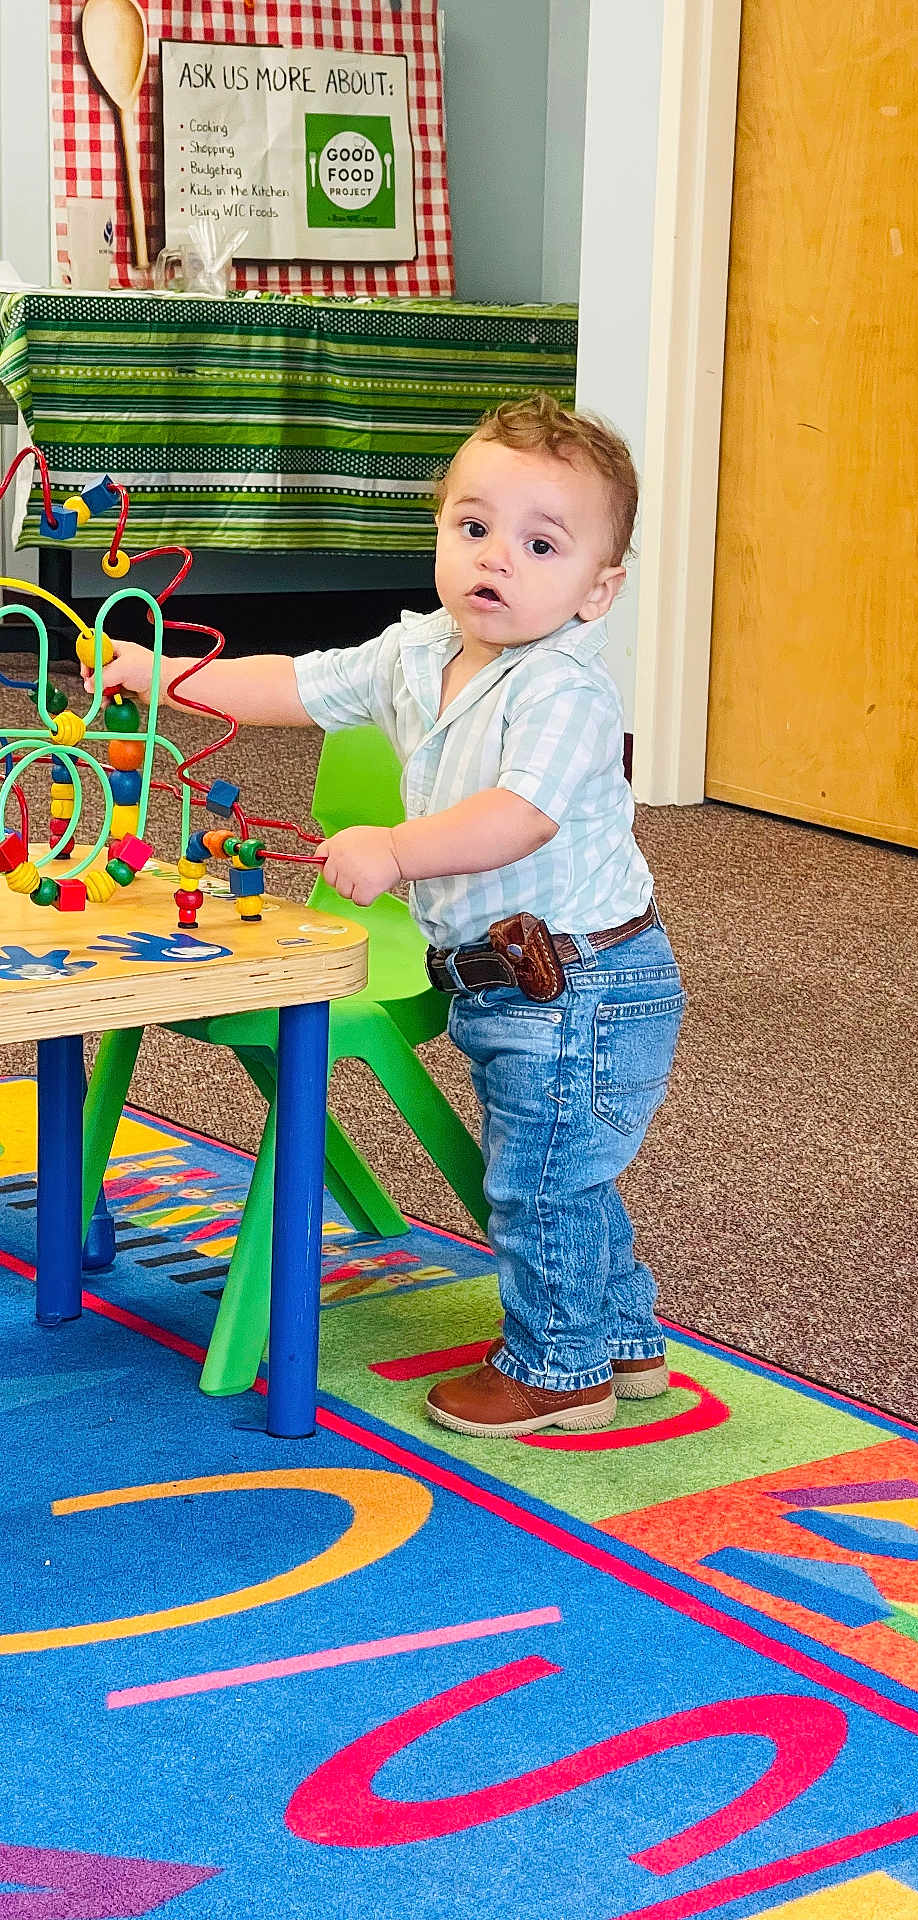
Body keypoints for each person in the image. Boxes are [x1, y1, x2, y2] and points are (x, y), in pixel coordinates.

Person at [85, 393, 685, 1438]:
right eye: (475, 526)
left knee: (541, 1183)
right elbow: (292, 683)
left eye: (541, 545)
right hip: (503, 977)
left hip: (585, 981)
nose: (496, 558)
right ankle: (622, 1340)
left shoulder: (564, 692)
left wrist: (399, 851)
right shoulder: (417, 652)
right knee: (562, 1170)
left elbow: (521, 817)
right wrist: (163, 677)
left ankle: (559, 1371)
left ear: (599, 590)